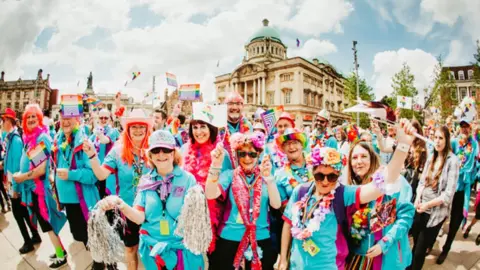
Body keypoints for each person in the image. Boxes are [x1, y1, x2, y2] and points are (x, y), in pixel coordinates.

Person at [278, 119, 415, 270]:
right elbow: (288, 223)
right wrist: (283, 259)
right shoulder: (300, 191)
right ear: (312, 172)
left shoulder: (343, 194)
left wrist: (403, 145)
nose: (325, 181)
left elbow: (382, 184)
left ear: (338, 174)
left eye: (331, 177)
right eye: (319, 176)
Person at [97, 130, 206, 269]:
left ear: (173, 153)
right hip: (153, 251)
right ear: (150, 156)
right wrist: (121, 204)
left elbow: (196, 217)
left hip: (182, 250)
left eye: (165, 150)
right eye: (156, 151)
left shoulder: (188, 179)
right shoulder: (145, 181)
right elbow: (139, 218)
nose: (161, 155)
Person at [83, 108, 152, 270]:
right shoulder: (117, 151)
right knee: (130, 248)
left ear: (147, 128)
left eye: (141, 126)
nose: (138, 130)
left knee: (154, 250)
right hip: (128, 209)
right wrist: (93, 156)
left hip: (153, 209)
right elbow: (101, 175)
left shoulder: (155, 149)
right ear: (127, 129)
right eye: (133, 126)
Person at [206, 132, 281, 270]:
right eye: (242, 154)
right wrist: (215, 165)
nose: (247, 158)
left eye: (252, 154)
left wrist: (269, 179)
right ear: (237, 155)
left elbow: (276, 205)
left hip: (260, 240)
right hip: (230, 240)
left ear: (258, 155)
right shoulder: (229, 175)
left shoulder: (265, 176)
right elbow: (210, 194)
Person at [345, 140, 414, 270]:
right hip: (359, 258)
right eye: (354, 158)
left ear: (372, 158)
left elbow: (406, 218)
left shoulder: (393, 182)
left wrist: (384, 243)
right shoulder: (351, 190)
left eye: (364, 156)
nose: (359, 161)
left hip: (388, 256)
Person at [14, 104, 67, 269]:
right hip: (32, 190)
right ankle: (61, 251)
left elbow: (41, 170)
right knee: (47, 224)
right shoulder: (29, 139)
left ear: (39, 119)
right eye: (28, 117)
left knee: (48, 225)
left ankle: (61, 257)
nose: (30, 119)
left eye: (34, 116)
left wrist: (22, 177)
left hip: (40, 191)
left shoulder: (41, 138)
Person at [408, 126, 459, 270]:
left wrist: (428, 205)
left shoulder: (452, 161)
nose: (437, 141)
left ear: (447, 139)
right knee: (414, 245)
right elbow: (422, 181)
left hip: (434, 214)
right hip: (420, 208)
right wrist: (418, 197)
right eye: (435, 137)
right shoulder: (432, 156)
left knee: (419, 251)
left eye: (440, 138)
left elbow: (448, 195)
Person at [181, 117, 232, 253]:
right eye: (195, 127)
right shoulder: (184, 150)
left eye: (203, 126)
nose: (199, 132)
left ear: (211, 128)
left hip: (213, 214)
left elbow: (225, 188)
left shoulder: (222, 153)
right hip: (188, 214)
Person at [437, 118, 479, 264]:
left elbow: (475, 163)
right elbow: (445, 158)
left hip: (463, 189)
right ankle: (430, 243)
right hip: (450, 186)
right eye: (462, 127)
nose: (464, 129)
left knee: (455, 221)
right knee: (440, 216)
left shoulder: (474, 145)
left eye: (467, 126)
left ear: (471, 127)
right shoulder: (454, 142)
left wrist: (472, 175)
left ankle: (446, 249)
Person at [1, 108, 41, 254]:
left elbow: (18, 166)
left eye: (3, 120)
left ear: (8, 121)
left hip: (16, 183)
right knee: (22, 212)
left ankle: (27, 241)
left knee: (19, 214)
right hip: (13, 182)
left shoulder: (16, 140)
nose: (1, 123)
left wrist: (15, 189)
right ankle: (35, 235)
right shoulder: (10, 137)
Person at [271, 128, 310, 254]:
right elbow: (283, 207)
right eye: (287, 144)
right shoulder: (280, 175)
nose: (291, 147)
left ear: (302, 145)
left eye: (295, 142)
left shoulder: (316, 164)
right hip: (295, 228)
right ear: (282, 149)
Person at [89, 109, 120, 198]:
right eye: (101, 118)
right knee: (98, 195)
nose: (103, 120)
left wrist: (97, 129)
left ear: (110, 119)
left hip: (108, 170)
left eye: (105, 118)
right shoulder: (95, 132)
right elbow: (88, 142)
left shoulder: (113, 131)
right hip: (97, 168)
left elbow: (104, 140)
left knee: (108, 196)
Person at [403, 120, 427, 202]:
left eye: (414, 130)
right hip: (405, 177)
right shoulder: (406, 144)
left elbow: (422, 170)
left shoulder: (422, 148)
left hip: (415, 180)